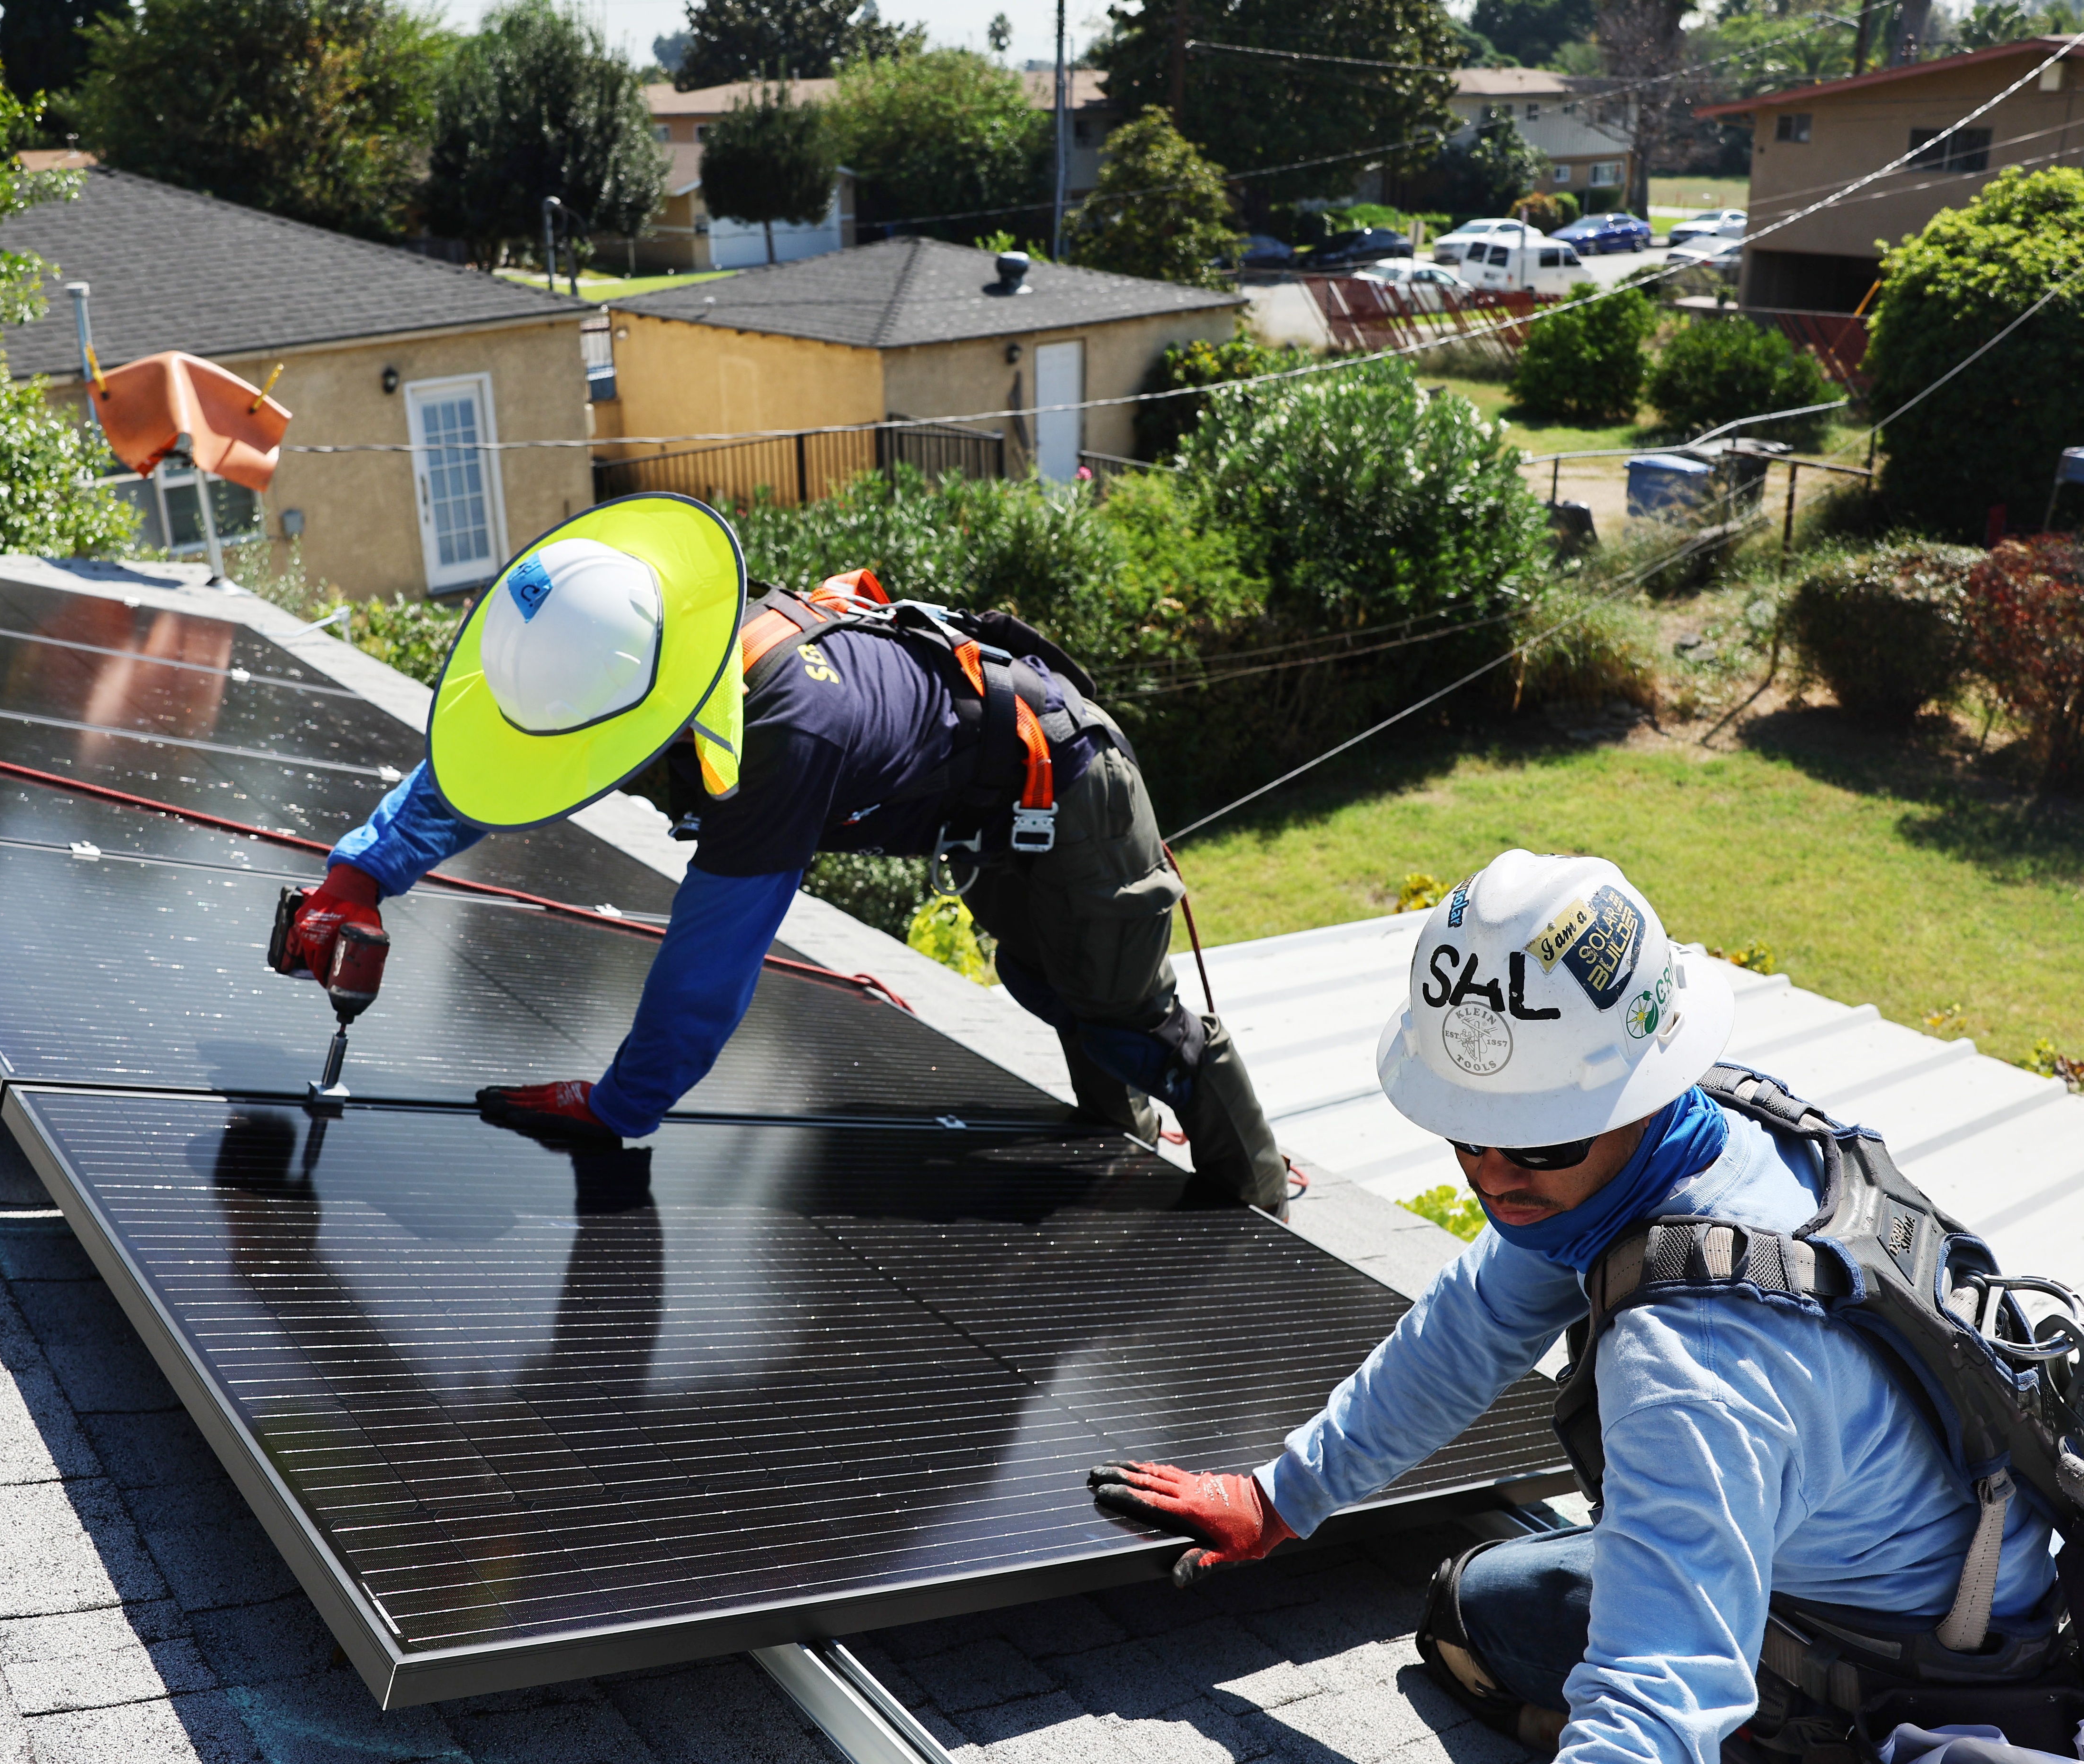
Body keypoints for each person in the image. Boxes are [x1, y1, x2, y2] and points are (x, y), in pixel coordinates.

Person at [1090, 848, 2072, 1763]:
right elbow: (1471, 1325)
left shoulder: (1692, 1361)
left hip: (1908, 1669)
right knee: (1475, 1600)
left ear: (1639, 1094)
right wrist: (1280, 1498)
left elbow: (1653, 1696)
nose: (1493, 1176)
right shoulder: (1697, 1136)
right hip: (1936, 1572)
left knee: (1510, 1634)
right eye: (1465, 1136)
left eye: (1538, 1141)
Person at [277, 493, 1290, 1214]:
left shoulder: (780, 740)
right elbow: (495, 769)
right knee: (1044, 979)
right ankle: (1120, 1143)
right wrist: (357, 876)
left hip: (1070, 789)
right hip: (993, 805)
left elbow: (709, 963)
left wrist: (618, 1105)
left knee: (1121, 1013)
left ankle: (1259, 1208)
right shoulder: (666, 645)